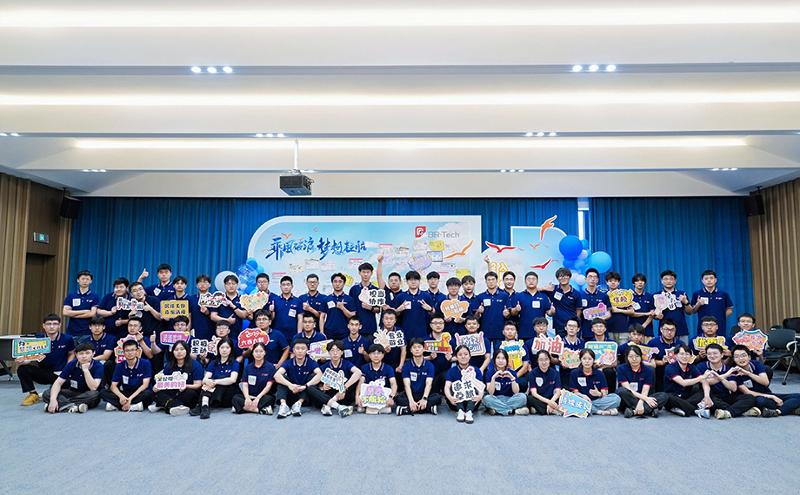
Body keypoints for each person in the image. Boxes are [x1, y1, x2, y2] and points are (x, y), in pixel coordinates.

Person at [17, 314, 76, 406]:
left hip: (61, 373)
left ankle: (53, 392)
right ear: (43, 326)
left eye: (55, 324)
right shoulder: (38, 339)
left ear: (59, 325)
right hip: (44, 373)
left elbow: (72, 353)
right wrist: (23, 361)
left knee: (69, 387)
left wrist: (67, 367)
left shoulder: (67, 338)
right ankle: (33, 394)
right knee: (22, 369)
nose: (52, 326)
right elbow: (31, 357)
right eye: (48, 324)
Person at [730, 345, 800, 417]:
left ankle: (778, 411)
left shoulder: (756, 364)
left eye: (743, 355)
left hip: (766, 393)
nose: (741, 359)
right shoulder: (734, 371)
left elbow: (765, 382)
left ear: (749, 357)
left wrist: (748, 373)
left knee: (798, 396)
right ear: (733, 359)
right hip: (754, 397)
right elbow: (747, 392)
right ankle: (790, 408)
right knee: (761, 401)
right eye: (737, 357)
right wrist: (772, 397)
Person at [694, 343, 757, 419]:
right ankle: (739, 411)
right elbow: (705, 382)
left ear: (722, 355)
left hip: (726, 395)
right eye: (709, 354)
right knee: (709, 400)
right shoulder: (701, 366)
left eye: (715, 353)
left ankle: (727, 412)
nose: (712, 356)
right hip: (710, 395)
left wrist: (722, 378)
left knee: (749, 398)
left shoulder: (729, 368)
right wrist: (725, 375)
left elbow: (733, 388)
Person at [43, 343, 103, 413]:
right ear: (76, 355)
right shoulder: (72, 364)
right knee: (48, 393)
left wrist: (86, 371)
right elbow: (58, 382)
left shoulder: (98, 366)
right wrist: (53, 400)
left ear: (93, 353)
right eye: (81, 353)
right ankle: (74, 406)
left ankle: (62, 404)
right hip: (74, 392)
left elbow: (93, 388)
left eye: (87, 353)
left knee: (95, 395)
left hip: (88, 394)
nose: (84, 356)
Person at [307, 340, 361, 417]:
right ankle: (338, 407)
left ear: (342, 352)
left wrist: (343, 388)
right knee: (310, 386)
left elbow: (358, 372)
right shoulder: (325, 366)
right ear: (328, 352)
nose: (335, 353)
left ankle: (328, 406)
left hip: (342, 395)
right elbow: (316, 379)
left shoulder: (346, 363)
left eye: (338, 350)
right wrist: (322, 386)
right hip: (328, 395)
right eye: (332, 350)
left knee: (356, 378)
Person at [150, 340, 204, 416]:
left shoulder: (195, 365)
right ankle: (177, 406)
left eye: (182, 349)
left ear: (187, 351)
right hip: (173, 390)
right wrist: (158, 386)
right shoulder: (169, 365)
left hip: (187, 391)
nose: (179, 352)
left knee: (190, 394)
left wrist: (186, 386)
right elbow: (164, 381)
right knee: (156, 392)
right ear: (173, 352)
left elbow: (198, 385)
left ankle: (164, 404)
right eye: (176, 350)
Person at [274, 338, 322, 418]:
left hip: (305, 396)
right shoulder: (288, 362)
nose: (300, 351)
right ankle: (283, 406)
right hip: (291, 393)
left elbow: (320, 374)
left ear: (307, 350)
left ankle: (298, 404)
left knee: (313, 377)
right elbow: (276, 375)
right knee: (282, 378)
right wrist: (290, 385)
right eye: (297, 348)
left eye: (303, 349)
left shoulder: (311, 362)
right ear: (293, 350)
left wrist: (305, 386)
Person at [100, 339, 154, 411]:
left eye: (132, 350)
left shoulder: (145, 363)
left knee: (149, 394)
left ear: (137, 351)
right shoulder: (120, 365)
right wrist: (121, 397)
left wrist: (130, 399)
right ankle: (134, 406)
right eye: (127, 350)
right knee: (103, 392)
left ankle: (118, 405)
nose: (130, 353)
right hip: (126, 392)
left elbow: (145, 385)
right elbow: (113, 386)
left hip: (140, 392)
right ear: (123, 352)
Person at [192, 337, 240, 419]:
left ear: (231, 349)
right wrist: (209, 381)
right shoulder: (213, 362)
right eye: (222, 347)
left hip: (228, 393)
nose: (224, 350)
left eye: (227, 347)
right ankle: (204, 407)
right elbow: (205, 379)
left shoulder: (234, 363)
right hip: (214, 392)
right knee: (208, 383)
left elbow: (232, 380)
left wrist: (215, 381)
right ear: (218, 349)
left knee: (221, 380)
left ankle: (201, 405)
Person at [616, 346, 668, 418]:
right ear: (627, 357)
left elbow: (645, 390)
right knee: (621, 391)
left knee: (664, 396)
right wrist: (646, 399)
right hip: (630, 396)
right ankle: (649, 410)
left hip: (643, 395)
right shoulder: (621, 368)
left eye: (637, 356)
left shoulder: (648, 370)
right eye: (631, 357)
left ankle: (633, 411)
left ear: (641, 357)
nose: (634, 359)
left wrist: (641, 402)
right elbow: (628, 389)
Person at [396, 338, 442, 416]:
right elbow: (407, 385)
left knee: (437, 398)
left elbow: (429, 384)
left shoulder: (429, 365)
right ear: (411, 350)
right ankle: (427, 409)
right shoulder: (406, 365)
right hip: (411, 394)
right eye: (414, 347)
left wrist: (424, 399)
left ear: (424, 349)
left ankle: (407, 410)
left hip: (424, 393)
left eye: (419, 347)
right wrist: (411, 401)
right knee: (398, 399)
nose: (417, 349)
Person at [569, 349, 621, 416]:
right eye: (584, 359)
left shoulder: (599, 373)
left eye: (590, 359)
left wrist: (599, 394)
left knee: (616, 398)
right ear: (580, 360)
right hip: (581, 400)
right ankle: (599, 411)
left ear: (593, 360)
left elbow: (605, 393)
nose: (587, 361)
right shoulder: (574, 373)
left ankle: (589, 409)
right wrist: (583, 396)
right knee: (573, 401)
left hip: (597, 401)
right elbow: (575, 392)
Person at [661, 344, 706, 417]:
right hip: (673, 397)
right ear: (676, 355)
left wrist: (707, 396)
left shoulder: (692, 367)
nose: (684, 357)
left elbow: (704, 381)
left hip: (686, 397)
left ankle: (681, 408)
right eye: (681, 354)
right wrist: (702, 377)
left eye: (687, 354)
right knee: (667, 396)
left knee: (703, 391)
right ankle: (695, 410)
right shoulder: (670, 367)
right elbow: (683, 383)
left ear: (691, 356)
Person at [232, 342, 276, 415]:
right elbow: (245, 385)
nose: (258, 354)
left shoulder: (270, 367)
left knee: (270, 399)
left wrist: (258, 398)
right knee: (235, 397)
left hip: (262, 396)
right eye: (256, 351)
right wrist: (247, 398)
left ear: (265, 353)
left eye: (261, 351)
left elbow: (268, 386)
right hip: (250, 395)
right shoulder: (248, 368)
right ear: (252, 353)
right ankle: (260, 410)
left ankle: (242, 408)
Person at [444, 345, 485, 424]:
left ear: (470, 356)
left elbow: (481, 386)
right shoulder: (452, 371)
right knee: (455, 386)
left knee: (474, 386)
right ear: (456, 357)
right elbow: (447, 386)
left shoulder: (476, 370)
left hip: (473, 402)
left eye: (466, 354)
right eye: (460, 355)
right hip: (456, 402)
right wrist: (450, 397)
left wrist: (480, 396)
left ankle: (469, 412)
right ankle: (460, 411)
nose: (463, 357)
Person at [510, 271, 554, 343]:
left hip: (540, 333)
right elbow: (512, 313)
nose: (531, 281)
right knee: (525, 350)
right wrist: (516, 309)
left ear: (537, 281)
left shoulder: (543, 296)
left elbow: (549, 313)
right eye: (529, 279)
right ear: (525, 281)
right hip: (524, 332)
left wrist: (552, 311)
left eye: (533, 279)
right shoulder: (518, 296)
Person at [482, 349, 528, 416]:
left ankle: (498, 410)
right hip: (496, 399)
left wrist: (512, 378)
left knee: (523, 397)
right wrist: (493, 378)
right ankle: (512, 411)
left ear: (507, 360)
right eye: (498, 358)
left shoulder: (512, 372)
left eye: (503, 358)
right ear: (494, 360)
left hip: (510, 398)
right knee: (486, 399)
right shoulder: (490, 372)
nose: (500, 361)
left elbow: (516, 392)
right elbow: (491, 393)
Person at [690, 269, 734, 337]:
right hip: (703, 326)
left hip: (719, 325)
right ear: (702, 281)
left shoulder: (723, 294)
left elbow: (730, 309)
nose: (709, 280)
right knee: (702, 342)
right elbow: (693, 311)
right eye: (706, 278)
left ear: (715, 280)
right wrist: (698, 304)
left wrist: (721, 318)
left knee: (720, 342)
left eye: (711, 278)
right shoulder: (697, 294)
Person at [356, 344, 398, 414]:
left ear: (383, 355)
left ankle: (373, 408)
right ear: (369, 355)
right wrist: (357, 396)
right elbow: (360, 383)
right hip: (369, 395)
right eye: (373, 353)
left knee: (388, 409)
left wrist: (391, 397)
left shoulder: (388, 368)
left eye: (378, 353)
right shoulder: (364, 367)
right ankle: (373, 408)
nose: (376, 356)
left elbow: (393, 384)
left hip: (382, 396)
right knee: (359, 409)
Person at [653, 269, 692, 340]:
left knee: (683, 347)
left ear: (675, 281)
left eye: (671, 279)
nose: (668, 281)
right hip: (664, 331)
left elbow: (689, 312)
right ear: (661, 281)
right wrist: (657, 316)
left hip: (681, 330)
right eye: (666, 279)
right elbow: (654, 314)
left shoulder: (682, 294)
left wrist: (686, 302)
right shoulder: (657, 295)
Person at [62, 270, 100, 342]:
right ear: (78, 280)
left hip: (87, 332)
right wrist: (85, 311)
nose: (85, 281)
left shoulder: (94, 296)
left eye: (87, 279)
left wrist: (73, 314)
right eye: (83, 279)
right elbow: (65, 312)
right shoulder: (71, 295)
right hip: (71, 331)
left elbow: (92, 313)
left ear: (91, 281)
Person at [396, 270, 434, 340]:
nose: (413, 282)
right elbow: (395, 315)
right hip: (405, 333)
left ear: (419, 281)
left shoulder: (426, 295)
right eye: (410, 280)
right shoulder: (400, 296)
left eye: (415, 279)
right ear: (406, 281)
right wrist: (398, 310)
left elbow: (433, 313)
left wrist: (430, 309)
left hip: (423, 333)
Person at [209, 274, 248, 340]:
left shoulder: (242, 299)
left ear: (237, 285)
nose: (231, 286)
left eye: (233, 283)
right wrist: (227, 321)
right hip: (221, 333)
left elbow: (244, 315)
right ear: (224, 285)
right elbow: (213, 316)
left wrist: (232, 306)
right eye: (228, 284)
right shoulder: (218, 298)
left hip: (237, 333)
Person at [349, 262, 382, 337]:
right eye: (363, 272)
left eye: (368, 272)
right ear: (359, 273)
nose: (366, 274)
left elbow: (379, 309)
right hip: (355, 327)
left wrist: (371, 308)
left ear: (371, 273)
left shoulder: (376, 290)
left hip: (370, 327)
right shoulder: (354, 289)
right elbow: (351, 308)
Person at [647, 319, 681, 392]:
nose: (669, 332)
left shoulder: (680, 344)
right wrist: (662, 362)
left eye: (672, 330)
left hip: (676, 373)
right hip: (659, 373)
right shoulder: (653, 343)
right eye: (666, 329)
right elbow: (648, 362)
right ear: (661, 330)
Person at [425, 313, 455, 394]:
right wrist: (429, 358)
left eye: (441, 323)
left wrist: (451, 358)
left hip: (446, 372)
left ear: (444, 325)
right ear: (430, 325)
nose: (438, 325)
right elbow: (417, 357)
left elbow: (459, 356)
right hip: (430, 373)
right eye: (435, 323)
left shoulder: (450, 340)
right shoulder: (425, 340)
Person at [527, 350, 564, 415]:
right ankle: (551, 410)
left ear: (549, 360)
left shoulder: (555, 373)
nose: (544, 362)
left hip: (552, 398)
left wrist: (551, 402)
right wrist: (549, 402)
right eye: (541, 360)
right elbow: (534, 393)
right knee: (529, 398)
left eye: (546, 359)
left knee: (562, 397)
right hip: (539, 399)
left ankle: (542, 410)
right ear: (537, 361)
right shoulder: (532, 373)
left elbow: (558, 392)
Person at [546, 267, 581, 337]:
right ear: (557, 278)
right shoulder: (553, 289)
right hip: (559, 325)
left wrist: (576, 323)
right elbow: (535, 289)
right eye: (561, 276)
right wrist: (544, 288)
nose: (563, 278)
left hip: (572, 326)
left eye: (565, 276)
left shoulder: (576, 293)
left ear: (569, 277)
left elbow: (578, 310)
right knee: (560, 343)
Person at [578, 268, 611, 340]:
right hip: (586, 331)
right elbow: (578, 314)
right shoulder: (580, 295)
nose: (592, 279)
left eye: (595, 277)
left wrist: (599, 319)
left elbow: (609, 313)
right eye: (590, 277)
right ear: (585, 279)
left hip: (601, 331)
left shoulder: (604, 296)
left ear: (598, 280)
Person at [587, 318, 618, 393]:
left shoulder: (612, 343)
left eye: (601, 326)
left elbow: (615, 363)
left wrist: (602, 367)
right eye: (596, 326)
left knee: (609, 372)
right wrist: (594, 366)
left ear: (605, 329)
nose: (599, 328)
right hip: (592, 367)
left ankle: (611, 394)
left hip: (607, 368)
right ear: (592, 329)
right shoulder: (589, 344)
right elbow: (586, 359)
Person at [325, 273, 356, 340]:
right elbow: (322, 316)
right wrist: (322, 331)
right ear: (332, 283)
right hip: (329, 331)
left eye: (340, 282)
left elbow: (352, 316)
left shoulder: (349, 299)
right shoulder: (327, 298)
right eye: (335, 281)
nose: (337, 284)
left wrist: (342, 308)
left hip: (344, 332)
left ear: (344, 283)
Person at [605, 271, 632, 343]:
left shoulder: (625, 294)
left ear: (619, 282)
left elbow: (632, 311)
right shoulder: (604, 295)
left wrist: (618, 310)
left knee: (623, 349)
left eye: (615, 281)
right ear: (607, 282)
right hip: (608, 329)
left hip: (623, 329)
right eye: (610, 281)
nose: (613, 283)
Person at [272, 275, 301, 342]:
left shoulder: (297, 301)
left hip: (293, 334)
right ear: (280, 286)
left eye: (288, 284)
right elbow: (271, 318)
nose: (286, 287)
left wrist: (299, 334)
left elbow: (300, 319)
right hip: (277, 334)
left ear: (292, 286)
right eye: (283, 285)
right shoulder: (275, 300)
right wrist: (271, 311)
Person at [187, 274, 215, 340]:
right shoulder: (191, 299)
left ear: (210, 285)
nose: (202, 284)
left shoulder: (214, 299)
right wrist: (188, 330)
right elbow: (189, 315)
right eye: (200, 282)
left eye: (205, 282)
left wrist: (207, 312)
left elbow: (216, 316)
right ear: (196, 285)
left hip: (211, 330)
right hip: (195, 330)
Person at [379, 309, 407, 374]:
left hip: (397, 363)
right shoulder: (378, 332)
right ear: (382, 320)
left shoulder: (399, 331)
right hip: (383, 364)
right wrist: (384, 351)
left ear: (395, 320)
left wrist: (400, 366)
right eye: (386, 319)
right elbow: (375, 353)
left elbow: (403, 349)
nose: (389, 321)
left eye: (391, 319)